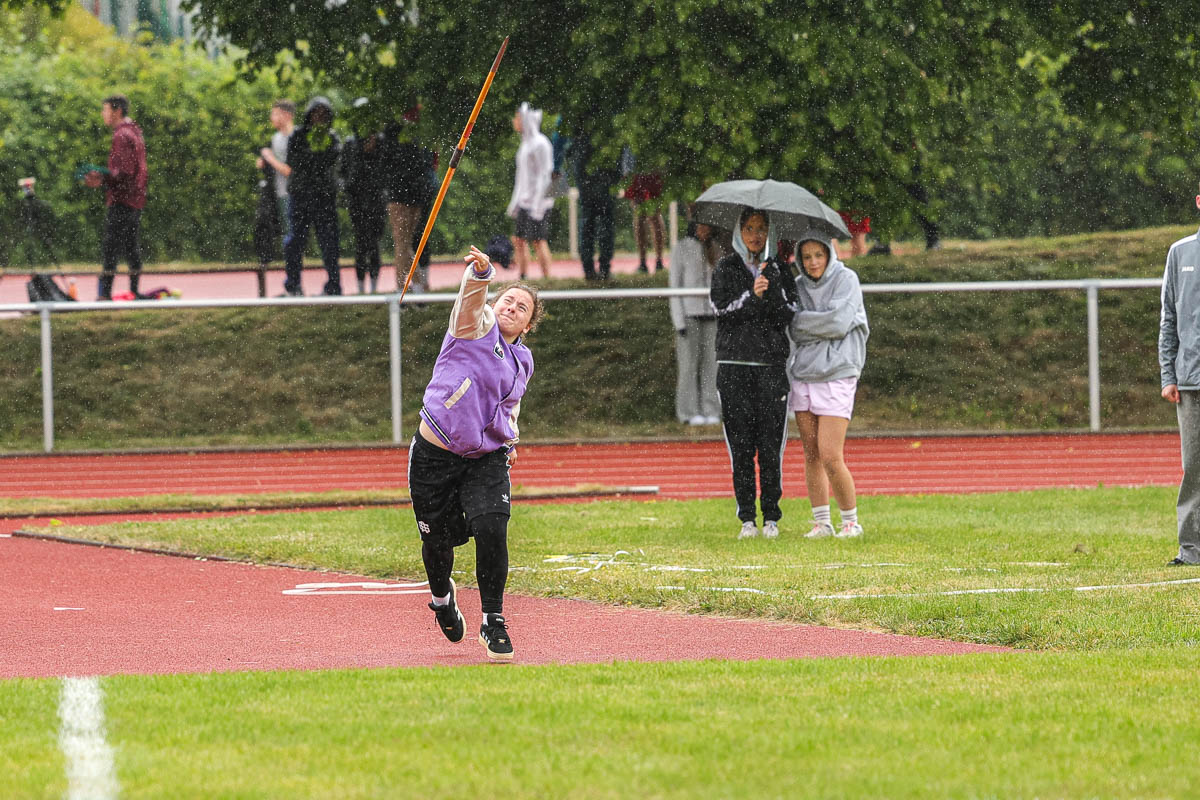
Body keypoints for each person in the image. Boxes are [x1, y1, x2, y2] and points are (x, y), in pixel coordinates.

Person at [409, 246, 545, 661]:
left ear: (528, 323)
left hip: (485, 456)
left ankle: (493, 620)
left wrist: (511, 441)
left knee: (492, 526)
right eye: (509, 300)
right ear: (495, 303)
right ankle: (440, 596)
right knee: (438, 543)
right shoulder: (472, 326)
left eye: (522, 308)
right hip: (436, 453)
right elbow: (470, 300)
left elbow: (510, 405)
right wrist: (481, 274)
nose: (513, 308)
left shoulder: (523, 360)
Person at [710, 208, 798, 540]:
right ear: (739, 232)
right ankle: (747, 517)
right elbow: (721, 309)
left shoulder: (779, 268)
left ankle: (772, 517)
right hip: (734, 368)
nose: (755, 235)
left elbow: (790, 312)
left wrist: (770, 291)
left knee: (770, 446)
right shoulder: (726, 267)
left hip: (771, 369)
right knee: (742, 446)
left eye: (761, 229)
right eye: (748, 228)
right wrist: (751, 295)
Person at [787, 228, 870, 539]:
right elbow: (793, 327)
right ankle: (822, 522)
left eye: (818, 255)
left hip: (837, 373)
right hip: (804, 374)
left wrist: (810, 322)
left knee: (831, 454)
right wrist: (816, 323)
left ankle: (851, 521)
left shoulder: (847, 280)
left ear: (829, 253)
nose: (812, 262)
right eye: (806, 257)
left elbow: (838, 323)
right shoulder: (796, 286)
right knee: (811, 454)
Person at [1158, 183, 1200, 567]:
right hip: (1190, 382)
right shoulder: (1180, 252)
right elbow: (1169, 319)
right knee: (1194, 467)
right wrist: (1167, 373)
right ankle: (1191, 551)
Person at [83, 94, 147, 301]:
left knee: (111, 247)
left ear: (116, 111)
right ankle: (135, 291)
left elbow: (123, 173)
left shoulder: (121, 135)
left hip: (122, 200)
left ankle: (104, 296)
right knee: (130, 246)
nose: (103, 114)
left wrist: (101, 178)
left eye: (105, 110)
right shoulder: (135, 131)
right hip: (135, 198)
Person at [283, 96, 341, 296]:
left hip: (324, 197)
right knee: (295, 242)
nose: (319, 118)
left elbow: (329, 161)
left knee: (329, 241)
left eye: (324, 114)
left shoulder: (332, 138)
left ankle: (334, 284)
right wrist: (313, 158)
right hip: (300, 196)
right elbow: (294, 161)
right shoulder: (298, 136)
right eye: (316, 113)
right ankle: (293, 285)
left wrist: (313, 159)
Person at [669, 219, 721, 425]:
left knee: (712, 365)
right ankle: (688, 412)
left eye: (708, 226)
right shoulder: (682, 248)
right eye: (701, 226)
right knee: (688, 366)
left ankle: (711, 409)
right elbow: (674, 285)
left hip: (712, 317)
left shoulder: (716, 249)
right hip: (689, 315)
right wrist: (679, 321)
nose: (704, 230)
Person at [381, 114, 434, 292]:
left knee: (404, 243)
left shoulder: (416, 131)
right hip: (401, 193)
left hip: (412, 192)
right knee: (403, 242)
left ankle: (406, 287)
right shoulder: (395, 131)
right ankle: (410, 286)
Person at [341, 102, 386, 294]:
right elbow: (344, 173)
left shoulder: (382, 143)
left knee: (374, 243)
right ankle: (360, 287)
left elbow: (385, 172)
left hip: (376, 201)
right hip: (357, 201)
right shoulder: (351, 144)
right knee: (361, 244)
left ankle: (375, 285)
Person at [506, 102, 554, 280]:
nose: (515, 121)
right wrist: (515, 202)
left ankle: (547, 277)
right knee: (518, 239)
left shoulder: (541, 143)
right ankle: (523, 275)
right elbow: (521, 178)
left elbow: (545, 175)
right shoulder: (524, 145)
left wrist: (538, 204)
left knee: (538, 240)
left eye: (517, 117)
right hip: (525, 201)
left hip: (539, 201)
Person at [571, 136, 618, 281]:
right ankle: (603, 267)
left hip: (586, 165)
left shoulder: (577, 117)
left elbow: (561, 135)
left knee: (588, 221)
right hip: (605, 165)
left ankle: (589, 268)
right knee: (604, 221)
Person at [257, 99, 294, 260]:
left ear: (287, 115)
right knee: (282, 230)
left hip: (292, 192)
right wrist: (265, 162)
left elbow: (291, 171)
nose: (272, 118)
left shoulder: (295, 138)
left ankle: (294, 270)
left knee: (292, 232)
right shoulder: (276, 138)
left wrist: (270, 158)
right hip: (278, 192)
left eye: (275, 114)